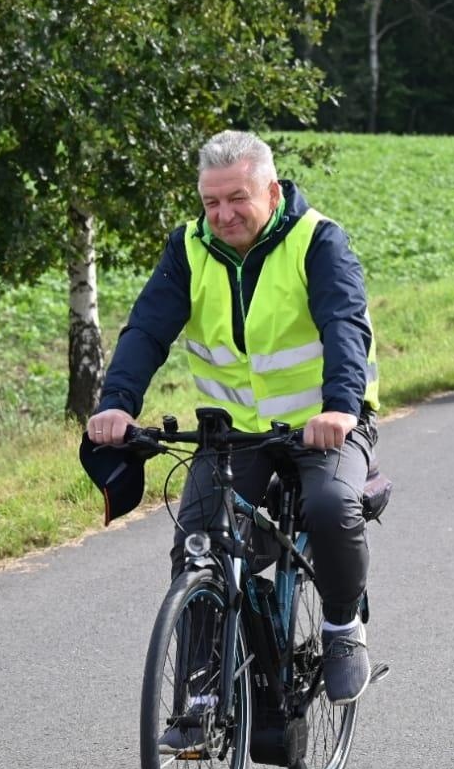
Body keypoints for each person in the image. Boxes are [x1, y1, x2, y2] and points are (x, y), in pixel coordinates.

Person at [83, 130, 380, 706]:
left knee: (329, 507)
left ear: (271, 190)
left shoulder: (318, 241)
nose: (222, 214)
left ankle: (343, 629)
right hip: (234, 433)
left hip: (321, 425)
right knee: (197, 541)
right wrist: (116, 403)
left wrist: (341, 407)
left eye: (236, 199)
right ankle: (201, 688)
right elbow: (147, 328)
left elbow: (344, 324)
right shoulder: (189, 248)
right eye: (211, 202)